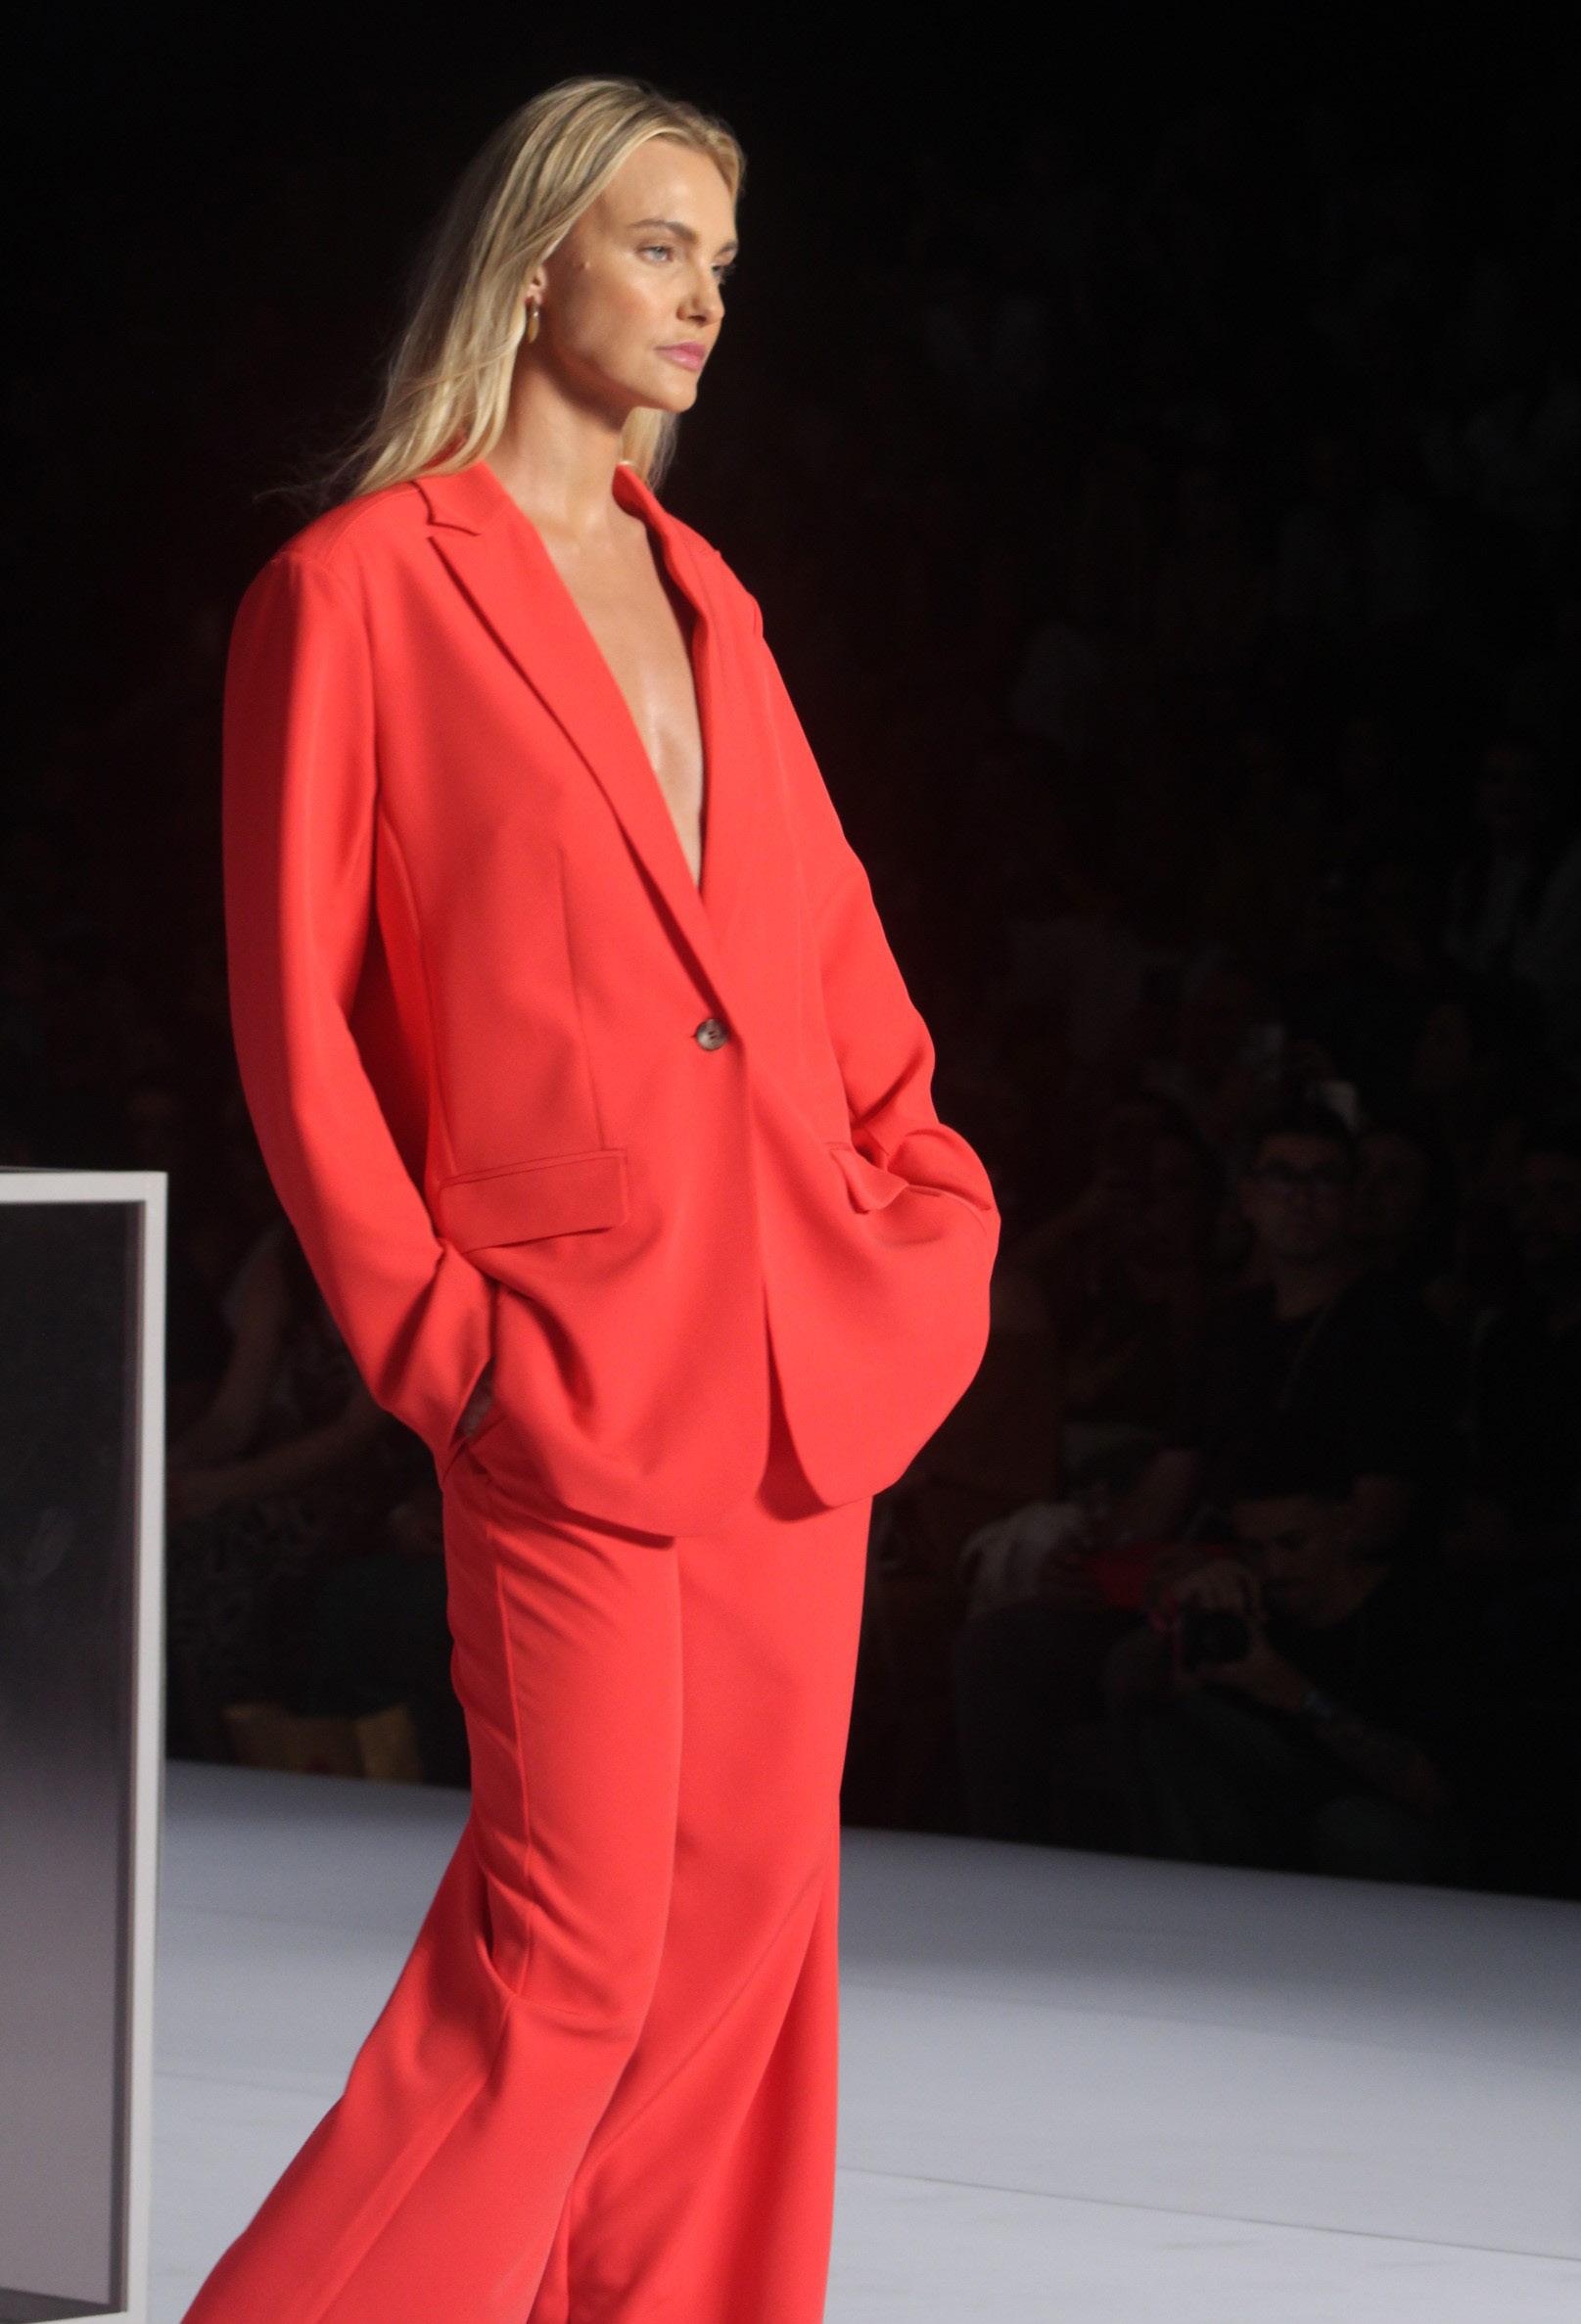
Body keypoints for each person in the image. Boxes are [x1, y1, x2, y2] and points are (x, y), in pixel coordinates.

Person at [182, 75, 998, 2324]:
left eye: (723, 262)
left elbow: (838, 982)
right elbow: (296, 1024)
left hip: (797, 1378)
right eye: (659, 245)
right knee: (570, 1949)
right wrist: (439, 1340)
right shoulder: (356, 588)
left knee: (742, 1953)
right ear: (534, 258)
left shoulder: (712, 596)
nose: (704, 298)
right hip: (558, 1369)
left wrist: (930, 1226)